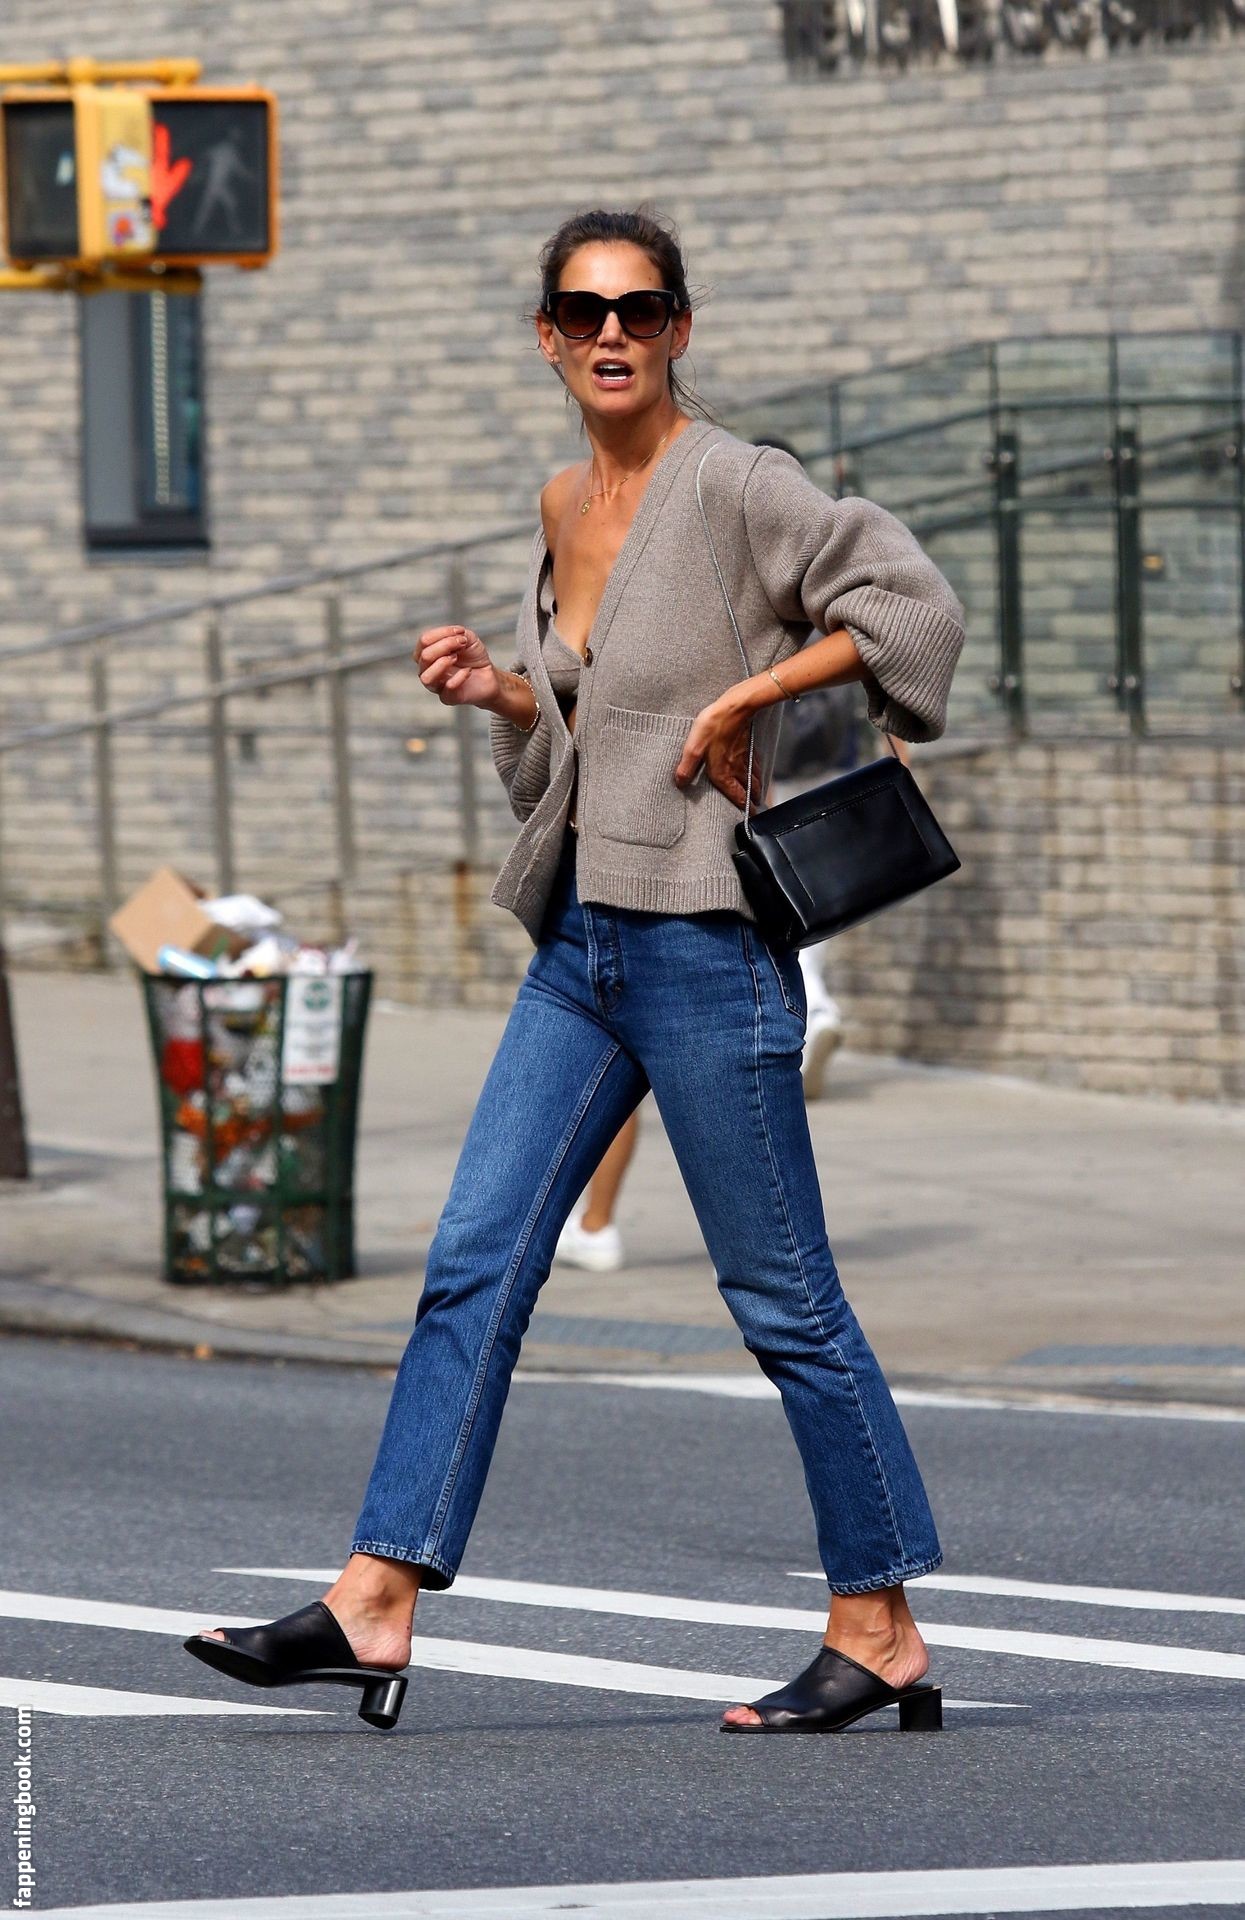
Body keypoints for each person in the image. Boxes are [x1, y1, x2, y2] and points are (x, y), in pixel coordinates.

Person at [184, 206, 966, 1738]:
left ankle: (877, 1625)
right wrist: (502, 697)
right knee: (472, 1259)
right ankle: (377, 1594)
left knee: (780, 1299)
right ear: (546, 337)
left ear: (678, 329)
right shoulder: (558, 502)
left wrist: (754, 687)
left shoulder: (735, 484)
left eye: (642, 308)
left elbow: (911, 612)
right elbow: (570, 761)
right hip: (580, 950)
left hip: (706, 947)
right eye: (585, 311)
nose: (614, 333)